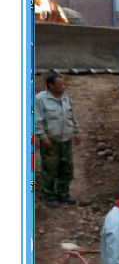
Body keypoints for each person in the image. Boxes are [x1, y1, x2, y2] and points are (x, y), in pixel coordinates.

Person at [35, 73, 82, 207]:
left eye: (64, 84)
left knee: (66, 168)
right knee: (50, 169)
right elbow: (37, 120)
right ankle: (49, 196)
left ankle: (64, 194)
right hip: (51, 142)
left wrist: (76, 132)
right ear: (51, 86)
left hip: (66, 140)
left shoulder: (65, 98)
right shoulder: (40, 99)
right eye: (60, 84)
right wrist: (43, 137)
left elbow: (71, 116)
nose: (64, 86)